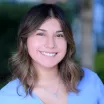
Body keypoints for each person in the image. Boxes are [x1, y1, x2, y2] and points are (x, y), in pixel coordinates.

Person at [0, 3, 104, 104]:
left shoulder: (91, 81)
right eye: (41, 34)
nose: (50, 44)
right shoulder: (6, 97)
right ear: (25, 40)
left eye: (59, 35)